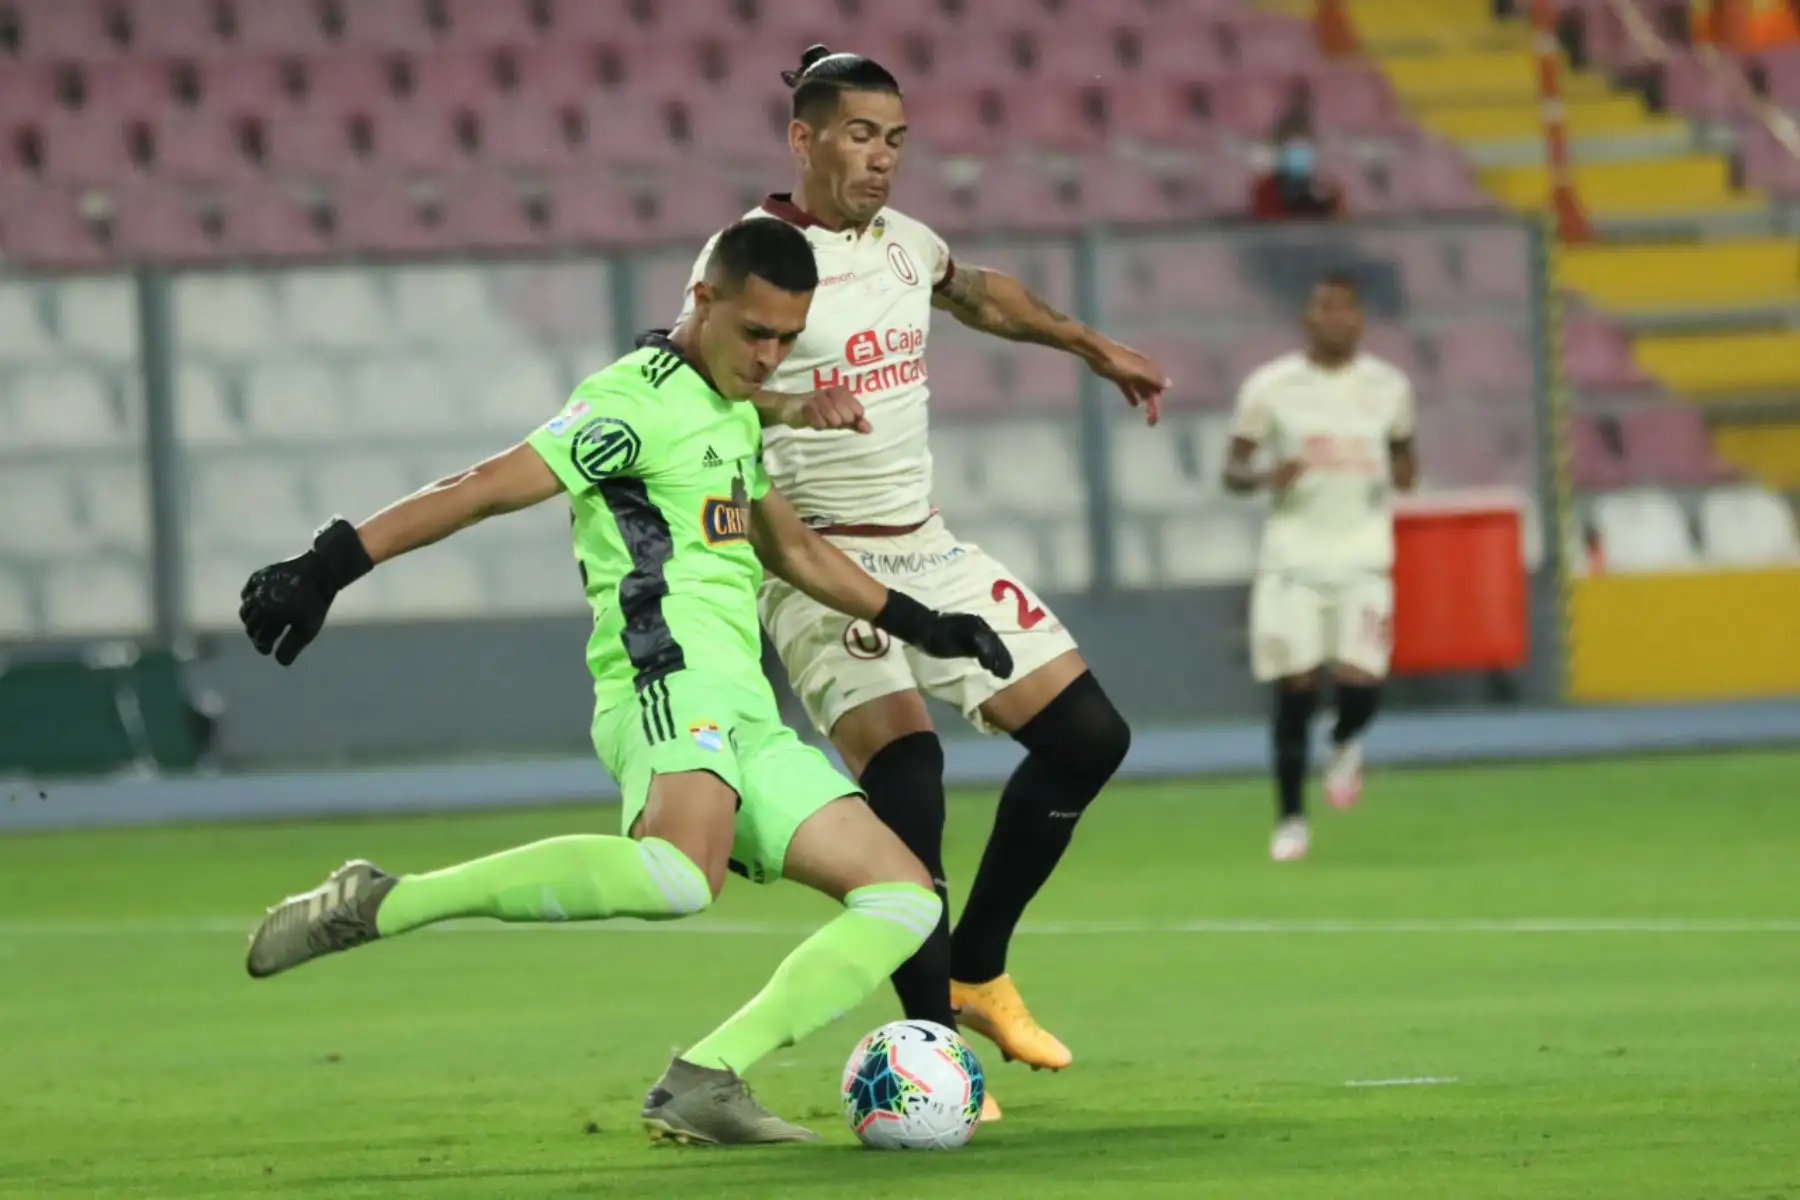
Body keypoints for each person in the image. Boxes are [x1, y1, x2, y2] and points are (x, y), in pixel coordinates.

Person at [236, 218, 1016, 1146]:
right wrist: (330, 564)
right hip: (664, 680)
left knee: (904, 897)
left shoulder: (730, 409)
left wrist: (923, 624)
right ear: (704, 300)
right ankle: (383, 901)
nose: (770, 357)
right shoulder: (630, 403)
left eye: (785, 339)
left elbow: (794, 548)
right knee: (682, 877)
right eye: (755, 333)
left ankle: (706, 1080)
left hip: (745, 711)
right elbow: (486, 483)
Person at [673, 44, 1168, 1117]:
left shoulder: (908, 246)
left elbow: (980, 295)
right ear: (802, 138)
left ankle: (975, 968)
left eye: (896, 139)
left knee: (1091, 739)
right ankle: (933, 1053)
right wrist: (794, 408)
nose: (883, 159)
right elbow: (682, 377)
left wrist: (1091, 344)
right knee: (909, 777)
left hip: (929, 545)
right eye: (860, 135)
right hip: (814, 560)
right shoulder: (750, 254)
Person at [1221, 273, 1418, 862]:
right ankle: (1290, 819)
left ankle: (1343, 741)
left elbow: (1405, 453)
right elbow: (1230, 471)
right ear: (1307, 319)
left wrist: (1404, 473)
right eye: (1323, 307)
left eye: (1346, 309)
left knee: (1362, 687)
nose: (1335, 319)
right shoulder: (1272, 387)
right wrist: (1262, 478)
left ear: (1360, 319)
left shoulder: (1389, 387)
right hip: (1292, 562)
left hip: (1363, 559)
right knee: (1295, 690)